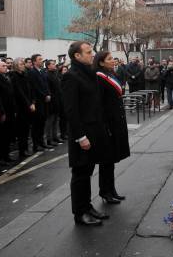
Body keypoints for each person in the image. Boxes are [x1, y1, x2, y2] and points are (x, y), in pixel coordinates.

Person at [62, 41, 112, 226]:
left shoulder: (88, 73)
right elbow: (71, 110)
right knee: (80, 174)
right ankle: (80, 212)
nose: (93, 54)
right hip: (83, 134)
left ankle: (87, 206)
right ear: (77, 56)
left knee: (88, 171)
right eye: (89, 52)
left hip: (94, 130)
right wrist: (80, 137)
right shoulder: (71, 76)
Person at [94, 51, 130, 204]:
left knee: (112, 159)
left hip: (117, 122)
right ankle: (105, 191)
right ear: (101, 62)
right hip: (108, 124)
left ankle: (112, 189)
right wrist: (104, 127)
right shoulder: (99, 77)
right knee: (106, 161)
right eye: (109, 59)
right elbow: (99, 105)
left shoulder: (110, 74)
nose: (113, 61)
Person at [10, 58, 35, 158]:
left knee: (26, 130)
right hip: (21, 107)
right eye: (20, 64)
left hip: (28, 106)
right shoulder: (14, 76)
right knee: (22, 131)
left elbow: (30, 89)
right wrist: (29, 104)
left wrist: (33, 101)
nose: (23, 65)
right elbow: (20, 93)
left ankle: (25, 148)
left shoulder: (25, 75)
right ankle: (22, 150)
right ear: (16, 65)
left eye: (23, 64)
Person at [0, 60, 16, 165]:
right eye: (3, 66)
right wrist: (2, 112)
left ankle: (6, 155)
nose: (6, 66)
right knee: (1, 137)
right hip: (3, 111)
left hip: (10, 110)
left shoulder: (6, 77)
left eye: (5, 65)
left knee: (7, 135)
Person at [28, 54, 51, 151]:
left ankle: (41, 142)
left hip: (44, 101)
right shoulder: (32, 72)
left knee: (42, 123)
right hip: (38, 101)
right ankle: (36, 145)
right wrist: (44, 95)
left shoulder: (42, 71)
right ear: (34, 62)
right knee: (36, 124)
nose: (42, 61)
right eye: (40, 59)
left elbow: (46, 85)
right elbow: (35, 87)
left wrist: (48, 94)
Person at [44, 59, 62, 146]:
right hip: (51, 102)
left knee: (56, 120)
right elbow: (48, 89)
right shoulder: (47, 75)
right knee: (50, 121)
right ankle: (49, 139)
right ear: (48, 66)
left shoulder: (55, 74)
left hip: (57, 100)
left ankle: (55, 137)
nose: (55, 65)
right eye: (53, 64)